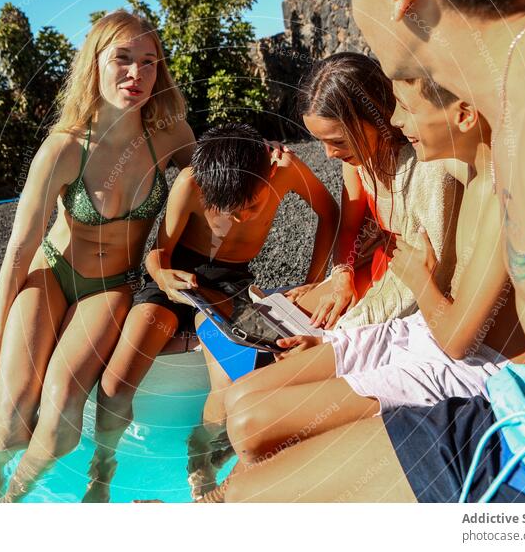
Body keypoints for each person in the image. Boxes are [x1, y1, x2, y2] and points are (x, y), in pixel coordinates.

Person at [223, 0, 525, 503]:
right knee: (246, 488)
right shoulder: (515, 112)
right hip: (522, 412)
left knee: (252, 494)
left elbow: (460, 333)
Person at [220, 77, 525, 475]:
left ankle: (218, 502)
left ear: (464, 115)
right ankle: (221, 498)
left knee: (250, 424)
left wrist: (417, 281)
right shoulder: (470, 169)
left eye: (406, 108)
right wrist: (339, 282)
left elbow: (457, 344)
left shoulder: (497, 191)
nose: (395, 120)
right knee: (240, 397)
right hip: (420, 331)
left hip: (469, 363)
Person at [0, 10, 195, 503]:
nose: (136, 74)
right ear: (94, 63)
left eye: (149, 62)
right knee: (12, 421)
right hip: (50, 273)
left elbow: (212, 191)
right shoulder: (64, 148)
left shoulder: (171, 137)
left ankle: (12, 498)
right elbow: (20, 248)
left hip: (112, 285)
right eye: (122, 58)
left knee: (62, 423)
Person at [85, 122, 338, 501]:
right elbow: (159, 253)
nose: (241, 219)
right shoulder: (191, 182)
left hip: (226, 288)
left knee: (227, 390)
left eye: (252, 206)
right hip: (174, 283)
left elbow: (329, 211)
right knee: (116, 383)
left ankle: (199, 451)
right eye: (229, 211)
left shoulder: (285, 170)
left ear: (268, 171)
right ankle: (102, 468)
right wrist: (163, 278)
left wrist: (316, 280)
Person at [285, 52, 460, 333]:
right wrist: (341, 276)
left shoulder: (425, 167)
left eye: (338, 141)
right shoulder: (356, 161)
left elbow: (432, 270)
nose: (329, 154)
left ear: (376, 113)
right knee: (294, 313)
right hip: (378, 264)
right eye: (321, 142)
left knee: (319, 333)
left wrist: (348, 329)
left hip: (412, 283)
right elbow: (349, 228)